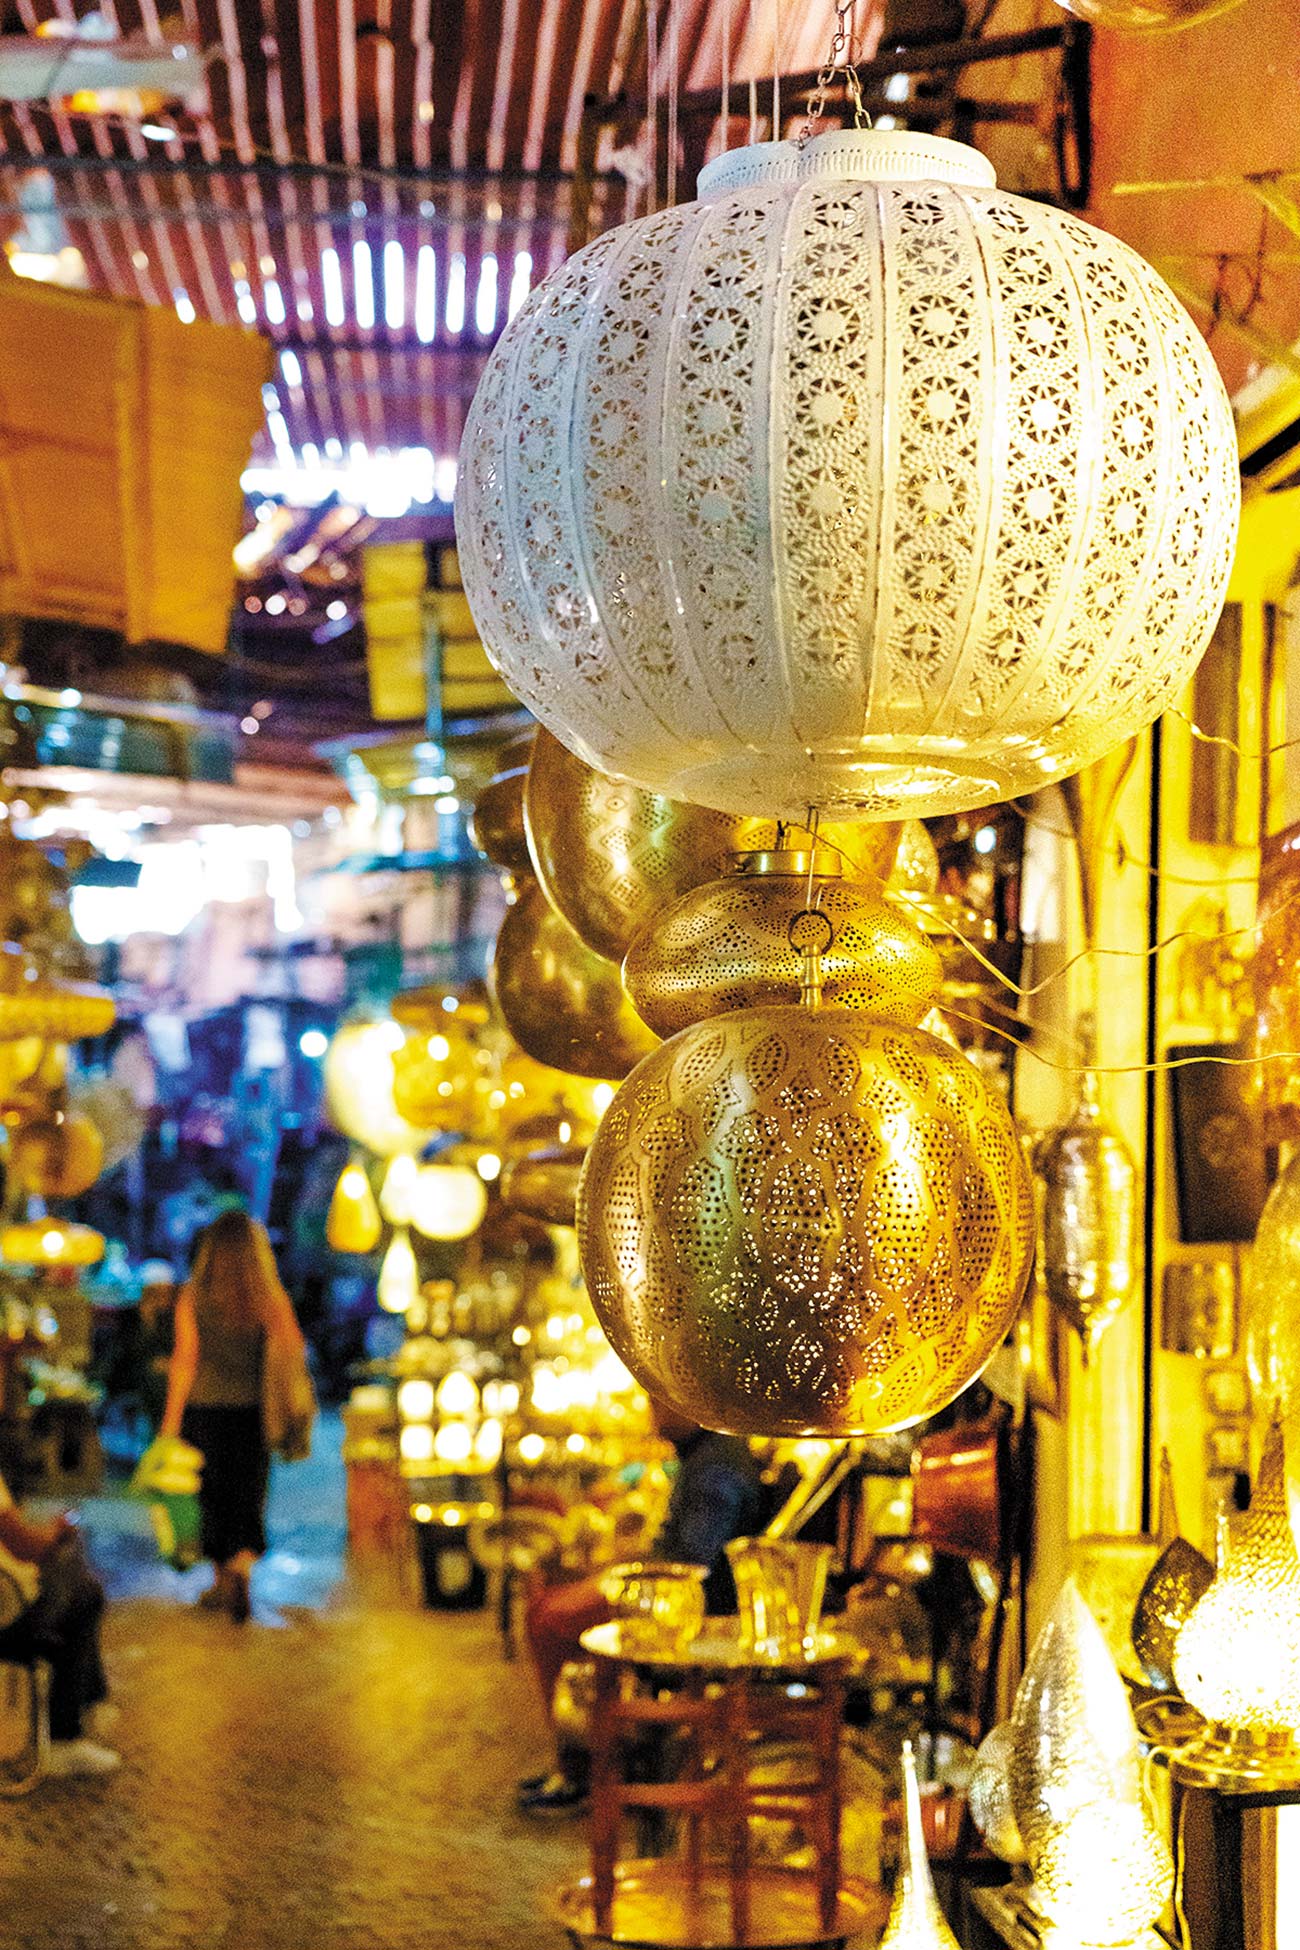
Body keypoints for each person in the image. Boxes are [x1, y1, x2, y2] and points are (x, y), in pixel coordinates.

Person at [518, 1403, 768, 1816]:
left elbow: (690, 1563)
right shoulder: (707, 1455)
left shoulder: (716, 1466)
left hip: (684, 1604)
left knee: (552, 1622)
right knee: (546, 1604)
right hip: (665, 1587)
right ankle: (588, 1755)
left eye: (663, 1404)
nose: (654, 1414)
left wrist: (625, 1572)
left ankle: (581, 1769)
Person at [160, 1209, 304, 1622]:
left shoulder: (194, 1295)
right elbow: (292, 1347)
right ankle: (242, 1565)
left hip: (204, 1411)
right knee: (248, 1493)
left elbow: (185, 1361)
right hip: (253, 1412)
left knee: (212, 1497)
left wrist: (170, 1423)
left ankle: (221, 1579)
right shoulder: (268, 1298)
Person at [0, 1480, 115, 1776]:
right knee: (81, 1598)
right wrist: (58, 1531)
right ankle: (70, 1730)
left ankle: (89, 1702)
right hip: (7, 1618)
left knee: (80, 1592)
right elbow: (24, 1545)